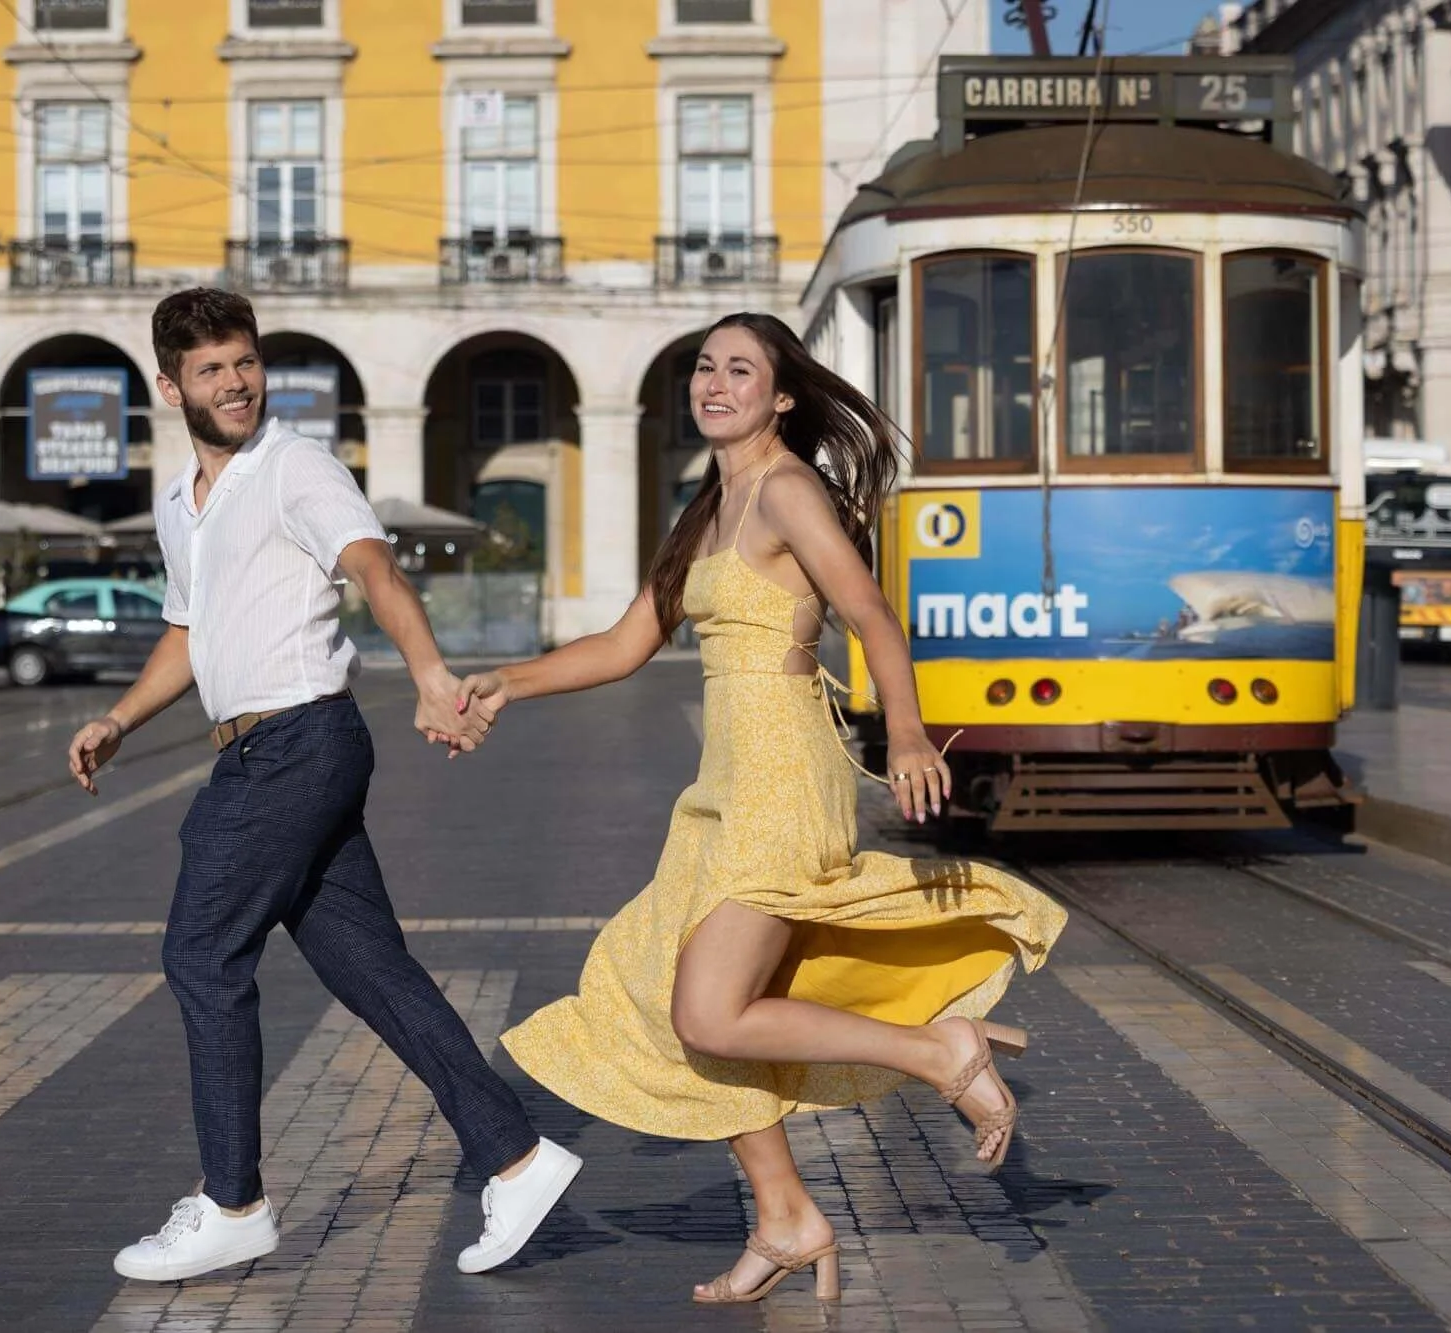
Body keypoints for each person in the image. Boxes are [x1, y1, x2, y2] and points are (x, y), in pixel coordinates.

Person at [452, 313, 1067, 1306]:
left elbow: (868, 612)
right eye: (704, 366)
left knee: (708, 1005)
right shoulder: (709, 505)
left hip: (782, 773)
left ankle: (934, 1049)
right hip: (720, 787)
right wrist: (504, 684)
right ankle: (784, 1214)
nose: (714, 383)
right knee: (678, 1001)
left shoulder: (784, 489)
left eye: (740, 370)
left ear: (781, 396)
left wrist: (905, 733)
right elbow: (620, 645)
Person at [64, 288, 580, 1286]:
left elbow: (374, 569)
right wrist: (118, 720)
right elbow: (189, 631)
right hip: (272, 747)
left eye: (246, 361)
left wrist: (430, 675)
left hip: (296, 744)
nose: (236, 383)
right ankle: (516, 1157)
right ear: (168, 386)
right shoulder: (180, 503)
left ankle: (232, 1201)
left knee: (201, 952)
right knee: (369, 969)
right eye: (210, 369)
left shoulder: (294, 466)